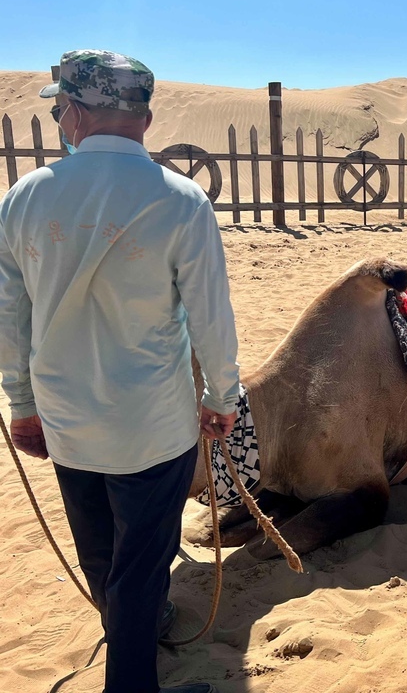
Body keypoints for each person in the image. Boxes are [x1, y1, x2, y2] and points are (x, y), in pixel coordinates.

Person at [0, 50, 239, 693]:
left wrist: (21, 404)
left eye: (58, 108)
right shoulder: (183, 202)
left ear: (75, 113)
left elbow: (9, 316)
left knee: (103, 553)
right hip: (153, 425)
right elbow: (211, 314)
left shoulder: (25, 197)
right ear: (148, 119)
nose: (58, 119)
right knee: (141, 564)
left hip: (67, 420)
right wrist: (223, 395)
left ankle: (133, 636)